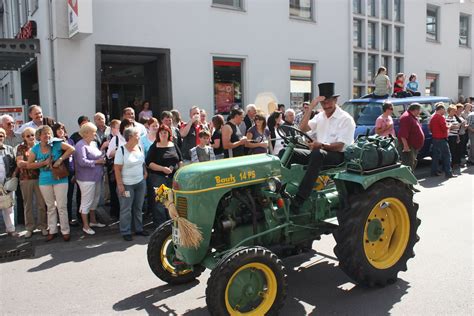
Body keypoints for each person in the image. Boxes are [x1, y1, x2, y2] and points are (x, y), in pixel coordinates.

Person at [288, 82, 355, 213]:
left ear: (335, 100)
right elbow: (302, 128)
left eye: (329, 102)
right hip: (320, 152)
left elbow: (341, 146)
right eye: (323, 103)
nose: (326, 105)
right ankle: (279, 189)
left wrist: (321, 145)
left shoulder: (345, 119)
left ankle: (300, 198)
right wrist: (311, 106)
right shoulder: (320, 116)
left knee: (317, 154)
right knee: (288, 152)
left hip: (339, 156)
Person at [27, 125, 75, 242]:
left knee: (62, 206)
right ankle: (52, 230)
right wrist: (43, 163)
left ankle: (65, 231)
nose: (47, 136)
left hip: (60, 178)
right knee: (50, 207)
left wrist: (60, 159)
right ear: (39, 136)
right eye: (44, 134)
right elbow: (29, 165)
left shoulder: (57, 143)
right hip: (44, 180)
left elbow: (71, 149)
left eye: (48, 133)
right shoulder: (35, 149)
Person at [114, 126, 148, 241]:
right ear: (130, 137)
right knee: (126, 208)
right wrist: (120, 185)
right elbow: (117, 169)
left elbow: (142, 162)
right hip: (126, 184)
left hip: (140, 182)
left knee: (138, 207)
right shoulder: (121, 150)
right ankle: (126, 231)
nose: (139, 137)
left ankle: (138, 229)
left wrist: (145, 172)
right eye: (137, 135)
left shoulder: (139, 147)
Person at [146, 125, 183, 227]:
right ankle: (161, 226)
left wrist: (179, 171)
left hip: (173, 178)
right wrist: (162, 169)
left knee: (172, 202)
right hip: (158, 178)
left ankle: (172, 223)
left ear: (169, 134)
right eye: (161, 132)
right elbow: (149, 163)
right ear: (158, 134)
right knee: (161, 203)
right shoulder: (154, 146)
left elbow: (180, 160)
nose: (163, 134)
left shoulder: (173, 144)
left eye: (165, 132)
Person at [74, 122, 106, 235]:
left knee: (95, 200)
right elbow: (82, 162)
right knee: (86, 202)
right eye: (93, 132)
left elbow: (97, 155)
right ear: (86, 133)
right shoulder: (80, 145)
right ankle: (85, 226)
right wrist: (98, 161)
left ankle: (93, 221)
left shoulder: (92, 143)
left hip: (96, 177)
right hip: (86, 178)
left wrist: (103, 155)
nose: (95, 134)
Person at [16, 127, 47, 238]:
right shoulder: (21, 147)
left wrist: (28, 164)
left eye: (32, 135)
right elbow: (19, 163)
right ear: (24, 137)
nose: (30, 137)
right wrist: (38, 164)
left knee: (41, 204)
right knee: (27, 205)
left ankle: (43, 226)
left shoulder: (40, 146)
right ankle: (29, 228)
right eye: (28, 135)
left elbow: (46, 161)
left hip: (40, 178)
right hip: (25, 179)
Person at [52, 122, 79, 226]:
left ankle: (69, 219)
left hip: (71, 171)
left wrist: (76, 172)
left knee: (70, 196)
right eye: (58, 129)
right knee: (60, 198)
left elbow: (75, 157)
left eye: (62, 128)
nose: (61, 130)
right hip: (61, 172)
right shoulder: (54, 142)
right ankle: (61, 219)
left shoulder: (70, 140)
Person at [0, 128, 18, 237]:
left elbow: (15, 164)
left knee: (9, 207)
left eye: (1, 135)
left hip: (7, 183)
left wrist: (13, 175)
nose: (0, 137)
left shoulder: (9, 149)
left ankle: (11, 229)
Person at [429, 103, 454, 178]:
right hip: (441, 139)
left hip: (435, 139)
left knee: (435, 156)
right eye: (444, 109)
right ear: (440, 109)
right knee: (446, 156)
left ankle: (433, 172)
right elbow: (444, 128)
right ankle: (448, 173)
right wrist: (449, 126)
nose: (445, 111)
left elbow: (430, 128)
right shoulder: (440, 117)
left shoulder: (432, 117)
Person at [397, 103, 425, 170]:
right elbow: (403, 134)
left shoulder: (412, 116)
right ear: (415, 110)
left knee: (412, 163)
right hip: (409, 147)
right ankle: (406, 180)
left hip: (413, 146)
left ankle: (409, 179)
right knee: (408, 164)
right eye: (419, 110)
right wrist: (405, 146)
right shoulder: (406, 117)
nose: (419, 112)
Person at [105, 119, 122, 219]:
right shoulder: (113, 139)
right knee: (114, 190)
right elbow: (109, 155)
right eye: (118, 128)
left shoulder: (125, 138)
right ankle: (115, 211)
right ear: (113, 129)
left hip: (123, 169)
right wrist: (120, 151)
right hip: (114, 169)